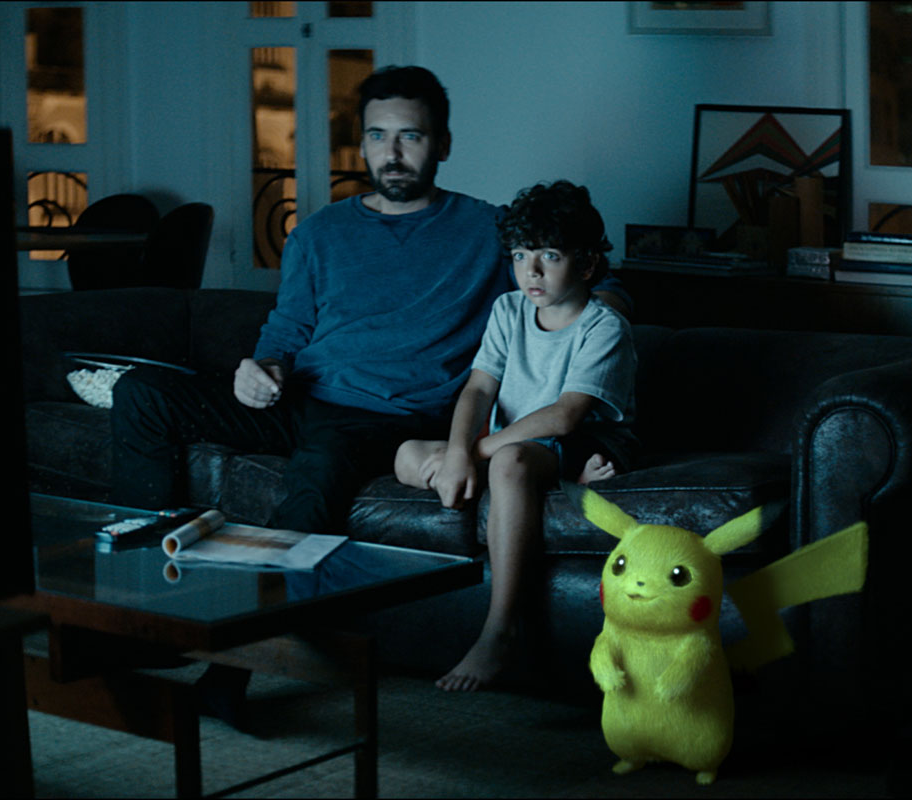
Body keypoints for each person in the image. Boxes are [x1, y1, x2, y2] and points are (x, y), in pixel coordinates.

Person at [105, 65, 629, 724]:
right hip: (299, 396)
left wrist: (605, 318)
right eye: (378, 136)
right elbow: (286, 332)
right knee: (143, 393)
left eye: (411, 136)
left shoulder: (486, 230)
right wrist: (260, 368)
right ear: (361, 145)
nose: (393, 152)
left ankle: (232, 669)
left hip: (384, 415)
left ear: (443, 144)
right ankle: (140, 611)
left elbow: (584, 279)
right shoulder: (319, 232)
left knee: (316, 476)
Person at [395, 180, 637, 692]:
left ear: (586, 265)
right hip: (516, 442)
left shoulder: (603, 326)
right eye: (521, 255)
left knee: (508, 464)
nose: (532, 271)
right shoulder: (508, 310)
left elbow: (565, 416)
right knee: (406, 455)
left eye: (550, 255)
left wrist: (475, 452)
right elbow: (479, 389)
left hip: (583, 440)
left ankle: (500, 630)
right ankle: (542, 485)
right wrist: (457, 453)